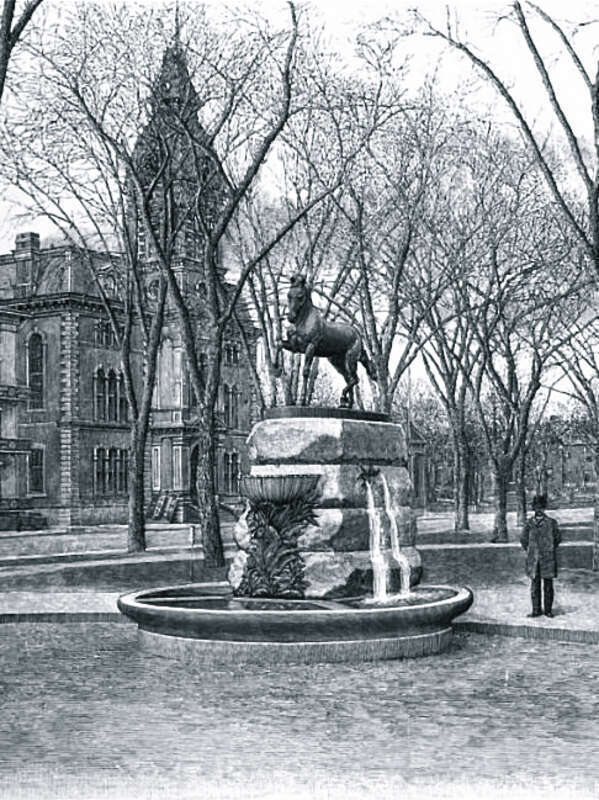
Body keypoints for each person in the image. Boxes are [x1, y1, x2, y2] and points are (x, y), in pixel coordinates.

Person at [520, 494, 561, 617]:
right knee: (535, 585)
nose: (539, 510)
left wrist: (549, 548)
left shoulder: (552, 523)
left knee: (548, 585)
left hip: (548, 558)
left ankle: (548, 610)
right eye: (536, 507)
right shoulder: (529, 523)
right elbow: (523, 539)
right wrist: (530, 550)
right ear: (533, 509)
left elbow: (558, 538)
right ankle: (536, 610)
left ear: (544, 508)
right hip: (534, 559)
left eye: (541, 507)